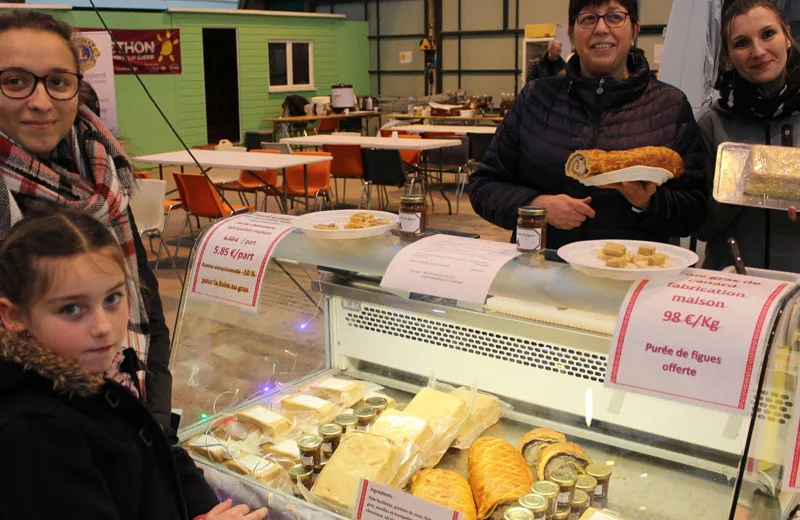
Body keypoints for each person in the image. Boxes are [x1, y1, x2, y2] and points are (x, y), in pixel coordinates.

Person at [0, 210, 267, 520]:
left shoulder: (103, 374)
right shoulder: (31, 433)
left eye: (112, 298)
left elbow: (160, 453)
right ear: (14, 316)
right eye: (71, 308)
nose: (103, 326)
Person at [0, 10, 173, 427]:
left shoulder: (101, 173)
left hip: (122, 413)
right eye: (14, 81)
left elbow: (143, 302)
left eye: (58, 82)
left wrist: (155, 421)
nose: (41, 102)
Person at [468, 0, 708, 250]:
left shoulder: (670, 106)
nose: (601, 28)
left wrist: (647, 203)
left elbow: (696, 209)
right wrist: (537, 207)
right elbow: (483, 185)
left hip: (634, 275)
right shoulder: (534, 99)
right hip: (543, 270)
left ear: (635, 30)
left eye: (615, 17)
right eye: (588, 18)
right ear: (571, 33)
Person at [696, 0, 800, 272]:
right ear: (728, 56)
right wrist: (739, 184)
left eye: (768, 34)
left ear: (787, 36)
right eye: (741, 43)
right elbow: (700, 226)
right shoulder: (713, 124)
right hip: (731, 289)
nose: (758, 51)